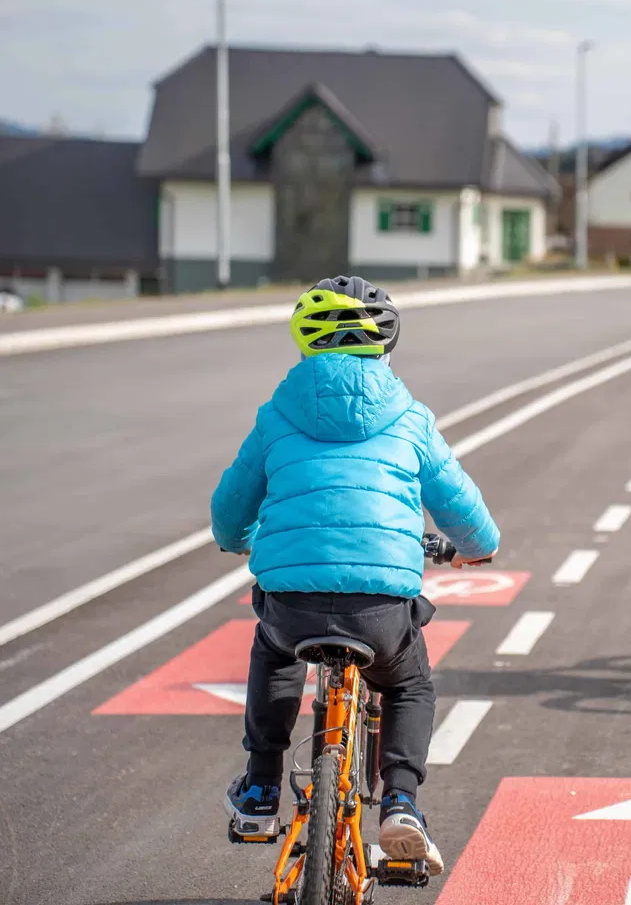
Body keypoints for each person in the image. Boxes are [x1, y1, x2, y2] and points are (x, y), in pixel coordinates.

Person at [210, 275, 499, 876]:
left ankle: (261, 786)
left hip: (293, 604)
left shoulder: (275, 415)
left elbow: (230, 507)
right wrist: (478, 548)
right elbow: (460, 505)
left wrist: (237, 541)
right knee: (408, 684)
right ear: (386, 345)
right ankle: (400, 802)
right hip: (381, 605)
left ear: (305, 345)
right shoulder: (410, 417)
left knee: (274, 650)